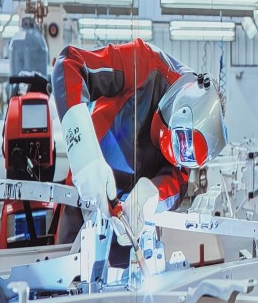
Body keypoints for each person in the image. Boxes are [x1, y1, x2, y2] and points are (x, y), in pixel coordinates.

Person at [51, 38, 228, 243]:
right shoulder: (144, 62)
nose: (176, 155)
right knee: (67, 258)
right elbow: (69, 64)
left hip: (127, 220)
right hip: (85, 187)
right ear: (182, 107)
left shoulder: (186, 150)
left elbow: (177, 184)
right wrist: (83, 153)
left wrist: (151, 196)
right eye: (179, 139)